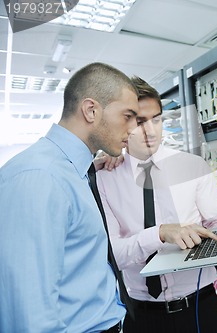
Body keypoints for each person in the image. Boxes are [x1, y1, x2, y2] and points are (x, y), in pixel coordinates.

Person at [0, 62, 139, 332]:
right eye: (127, 115)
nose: (133, 128)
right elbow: (31, 316)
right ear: (91, 110)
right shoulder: (41, 177)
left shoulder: (71, 171)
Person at [96, 76, 217, 332]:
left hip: (201, 306)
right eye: (139, 122)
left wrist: (215, 236)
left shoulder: (193, 166)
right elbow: (113, 255)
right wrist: (159, 234)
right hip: (143, 315)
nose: (151, 131)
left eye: (156, 119)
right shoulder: (104, 178)